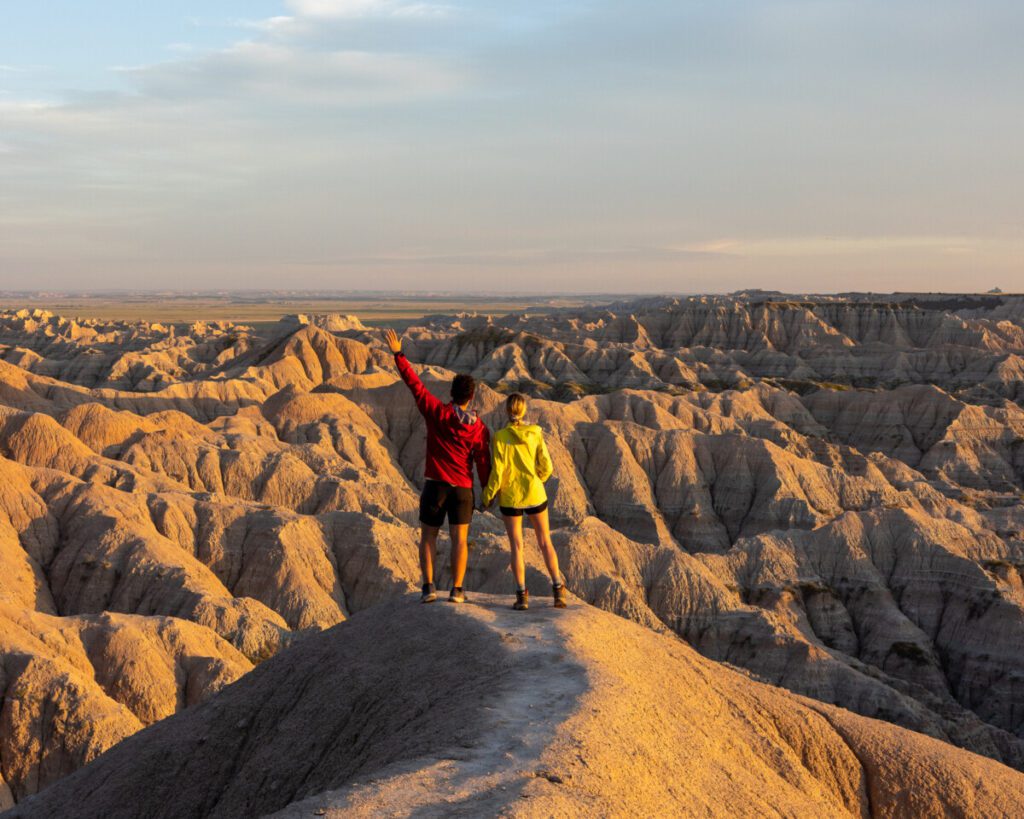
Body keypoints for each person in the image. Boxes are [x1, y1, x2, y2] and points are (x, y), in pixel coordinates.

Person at [384, 328, 491, 604]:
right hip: (463, 490)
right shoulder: (479, 429)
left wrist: (399, 355)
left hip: (435, 486)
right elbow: (482, 462)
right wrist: (489, 489)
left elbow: (415, 386)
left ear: (452, 393)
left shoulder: (437, 412)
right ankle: (457, 590)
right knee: (460, 540)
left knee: (428, 537)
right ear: (471, 398)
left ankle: (429, 587)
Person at [481, 393, 566, 611]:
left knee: (517, 546)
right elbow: (547, 466)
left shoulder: (499, 437)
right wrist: (537, 479)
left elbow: (498, 472)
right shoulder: (535, 433)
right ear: (524, 411)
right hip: (535, 493)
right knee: (545, 541)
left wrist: (488, 496)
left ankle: (521, 597)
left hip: (510, 498)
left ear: (507, 411)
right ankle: (558, 591)